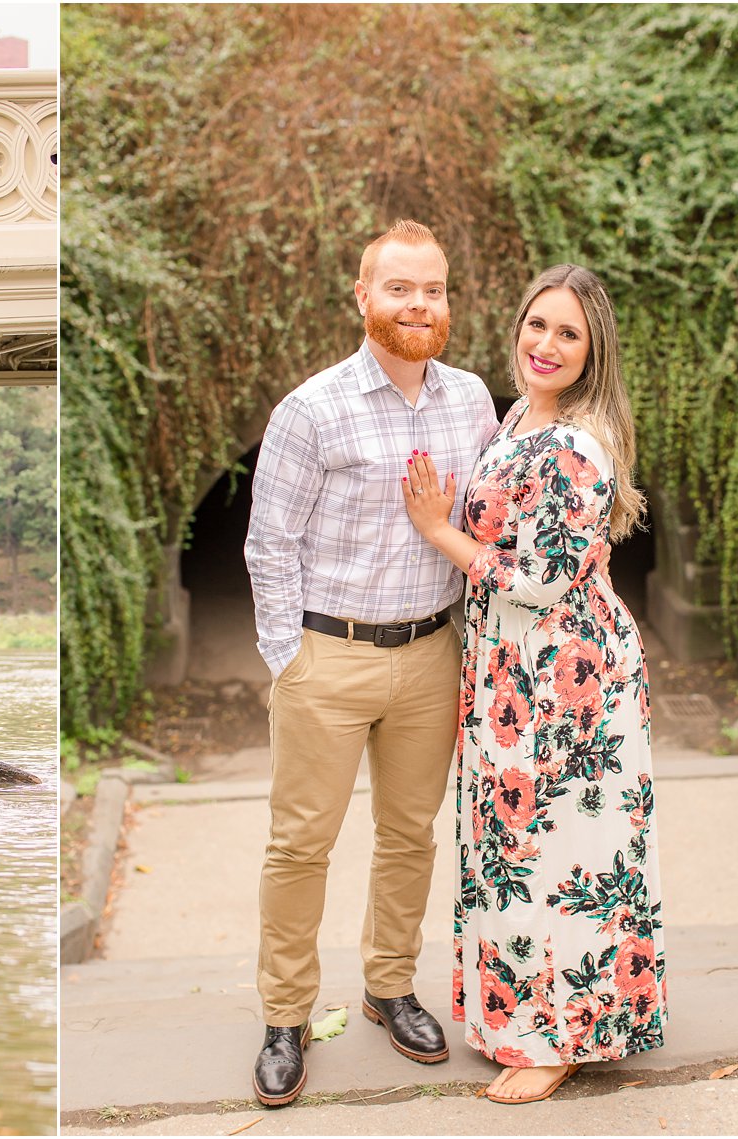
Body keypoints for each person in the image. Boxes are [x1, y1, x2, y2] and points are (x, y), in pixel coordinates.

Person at [243, 220, 499, 1107]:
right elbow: (267, 546)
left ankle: (390, 988)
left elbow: (486, 523)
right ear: (363, 297)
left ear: (447, 301)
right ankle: (286, 1015)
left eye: (432, 289)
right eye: (399, 288)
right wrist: (292, 660)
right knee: (300, 844)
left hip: (432, 653)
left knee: (409, 835)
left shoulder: (471, 400)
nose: (417, 304)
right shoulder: (311, 409)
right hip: (330, 656)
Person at [400, 264, 665, 1104]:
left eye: (568, 334)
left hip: (563, 682)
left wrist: (437, 530)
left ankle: (559, 1039)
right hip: (512, 671)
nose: (545, 345)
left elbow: (543, 577)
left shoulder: (576, 442)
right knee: (515, 849)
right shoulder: (521, 415)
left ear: (593, 353)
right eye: (537, 325)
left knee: (557, 853)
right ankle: (520, 1017)